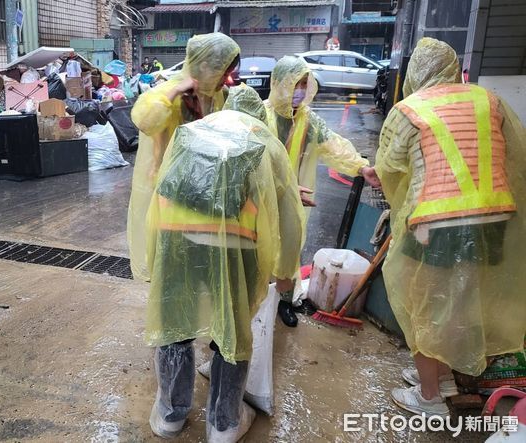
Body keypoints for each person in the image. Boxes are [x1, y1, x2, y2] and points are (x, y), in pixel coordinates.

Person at [375, 37, 526, 417]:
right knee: (458, 303)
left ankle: (430, 399)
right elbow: (515, 155)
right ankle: (441, 379)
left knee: (423, 306)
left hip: (436, 223)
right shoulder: (488, 99)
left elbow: (389, 169)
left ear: (415, 73)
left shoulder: (409, 109)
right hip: (495, 218)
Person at [145, 85, 305, 441]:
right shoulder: (267, 142)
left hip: (176, 241)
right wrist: (285, 272)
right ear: (259, 115)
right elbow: (290, 217)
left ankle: (171, 417)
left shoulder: (194, 131)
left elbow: (160, 194)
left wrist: (153, 257)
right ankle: (223, 425)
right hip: (236, 248)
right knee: (231, 332)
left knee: (176, 322)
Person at [264, 56, 381, 327]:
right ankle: (260, 300)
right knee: (261, 248)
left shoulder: (309, 120)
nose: (301, 90)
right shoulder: (260, 113)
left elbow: (333, 145)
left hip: (296, 198)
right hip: (265, 196)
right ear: (280, 83)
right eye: (296, 84)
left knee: (290, 249)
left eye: (305, 83)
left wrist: (361, 167)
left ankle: (284, 300)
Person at [127, 33, 241, 281]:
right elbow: (145, 121)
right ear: (203, 65)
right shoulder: (167, 92)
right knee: (170, 266)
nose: (227, 78)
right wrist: (175, 93)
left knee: (197, 263)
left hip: (203, 192)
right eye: (223, 71)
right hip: (167, 193)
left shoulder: (219, 96)